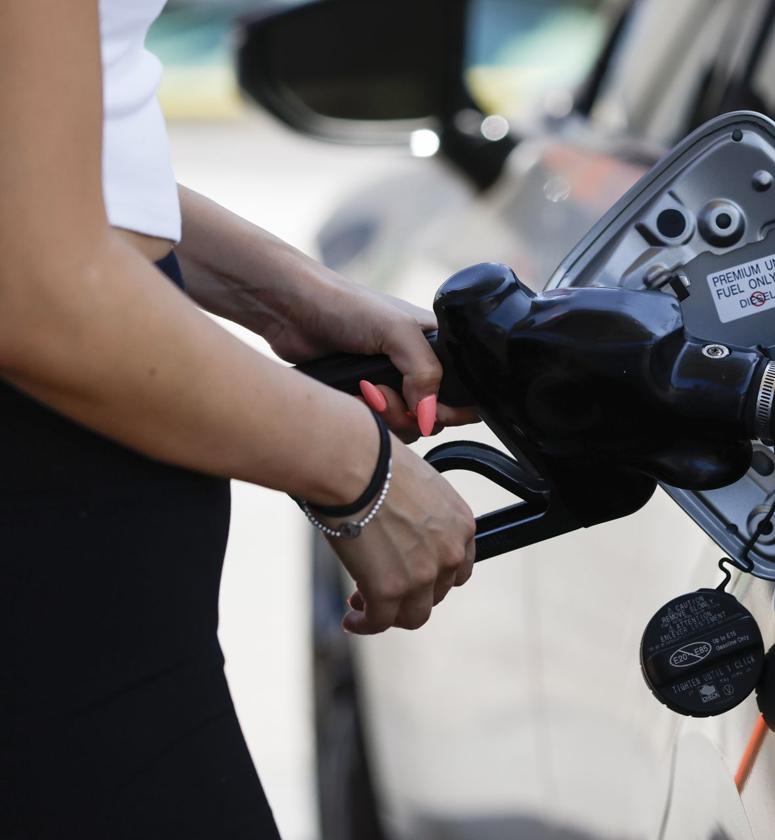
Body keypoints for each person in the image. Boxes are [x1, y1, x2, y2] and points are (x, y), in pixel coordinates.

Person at [0, 1, 478, 836]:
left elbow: (46, 160)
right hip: (52, 573)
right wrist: (356, 470)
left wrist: (288, 295)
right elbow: (32, 286)